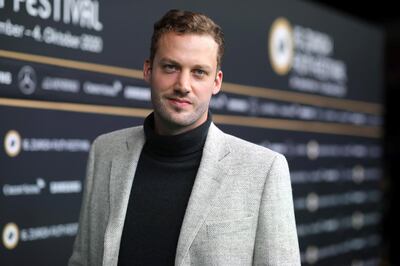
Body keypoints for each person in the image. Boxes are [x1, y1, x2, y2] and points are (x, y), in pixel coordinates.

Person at [68, 9, 300, 266]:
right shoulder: (105, 151)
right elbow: (83, 260)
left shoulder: (263, 171)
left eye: (199, 72)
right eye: (170, 67)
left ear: (216, 82)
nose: (183, 84)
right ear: (148, 70)